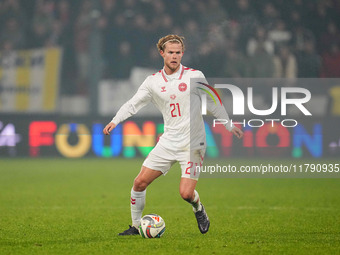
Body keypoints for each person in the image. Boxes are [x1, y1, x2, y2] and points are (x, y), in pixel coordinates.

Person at [103, 34, 243, 235]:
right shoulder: (152, 82)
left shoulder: (194, 76)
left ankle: (198, 208)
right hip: (168, 141)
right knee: (139, 183)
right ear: (162, 53)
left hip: (193, 142)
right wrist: (115, 120)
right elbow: (133, 103)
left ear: (182, 53)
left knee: (186, 193)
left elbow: (212, 101)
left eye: (178, 52)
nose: (174, 56)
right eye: (170, 52)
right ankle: (135, 226)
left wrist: (228, 125)